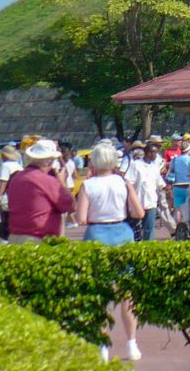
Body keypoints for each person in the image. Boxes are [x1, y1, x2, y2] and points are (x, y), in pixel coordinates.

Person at [77, 142, 144, 363]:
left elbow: (81, 219)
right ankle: (132, 343)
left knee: (101, 294)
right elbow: (139, 212)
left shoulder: (88, 186)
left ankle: (102, 346)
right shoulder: (122, 183)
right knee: (127, 293)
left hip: (96, 233)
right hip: (122, 232)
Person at [6, 139, 74, 244]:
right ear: (50, 161)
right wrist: (62, 183)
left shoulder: (16, 178)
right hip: (38, 238)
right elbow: (70, 205)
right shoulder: (47, 181)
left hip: (14, 236)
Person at [124, 140, 166, 241]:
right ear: (148, 153)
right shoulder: (136, 165)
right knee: (135, 230)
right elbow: (129, 181)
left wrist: (167, 188)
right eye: (153, 152)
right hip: (137, 202)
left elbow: (160, 183)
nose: (155, 154)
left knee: (149, 229)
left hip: (151, 201)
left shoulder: (155, 167)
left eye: (156, 152)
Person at [167, 138, 190, 239]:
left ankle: (179, 229)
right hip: (188, 186)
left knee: (178, 209)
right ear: (189, 150)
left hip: (177, 186)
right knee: (189, 210)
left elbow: (171, 172)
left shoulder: (175, 160)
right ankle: (187, 229)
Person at [0, 144, 22, 238]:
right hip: (16, 198)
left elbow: (4, 181)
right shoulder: (19, 166)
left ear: (4, 155)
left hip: (5, 198)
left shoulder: (6, 166)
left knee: (2, 224)